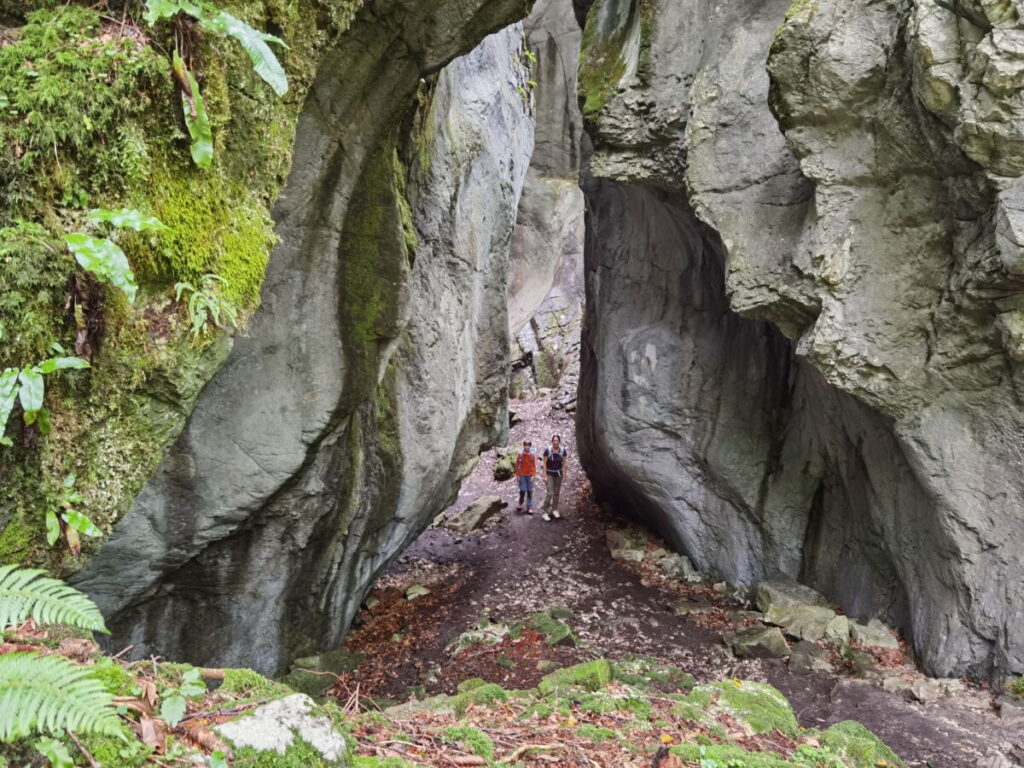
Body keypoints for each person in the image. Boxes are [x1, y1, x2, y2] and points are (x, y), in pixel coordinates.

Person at [541, 434, 568, 521]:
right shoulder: (547, 450)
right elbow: (544, 463)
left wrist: (565, 474)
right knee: (550, 493)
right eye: (554, 441)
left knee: (557, 492)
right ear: (552, 441)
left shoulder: (562, 450)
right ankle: (545, 511)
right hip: (549, 474)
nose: (556, 442)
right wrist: (544, 475)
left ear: (559, 441)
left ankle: (554, 509)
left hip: (558, 474)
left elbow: (564, 463)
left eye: (557, 441)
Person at [514, 440, 538, 515]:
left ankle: (529, 507)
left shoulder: (532, 455)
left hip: (530, 475)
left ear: (530, 446)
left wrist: (534, 475)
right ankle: (520, 503)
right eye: (525, 445)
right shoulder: (520, 455)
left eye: (528, 445)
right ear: (523, 446)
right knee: (523, 490)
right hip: (522, 475)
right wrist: (517, 475)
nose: (527, 447)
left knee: (530, 491)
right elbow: (517, 465)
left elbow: (534, 466)